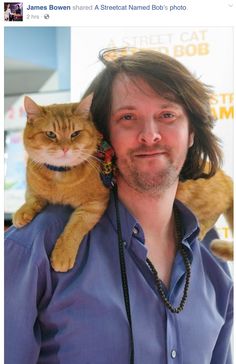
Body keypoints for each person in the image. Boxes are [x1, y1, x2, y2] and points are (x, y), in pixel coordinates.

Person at [5, 49, 233, 364]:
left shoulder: (212, 256)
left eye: (167, 115)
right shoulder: (33, 245)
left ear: (192, 132)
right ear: (103, 135)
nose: (150, 135)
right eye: (127, 117)